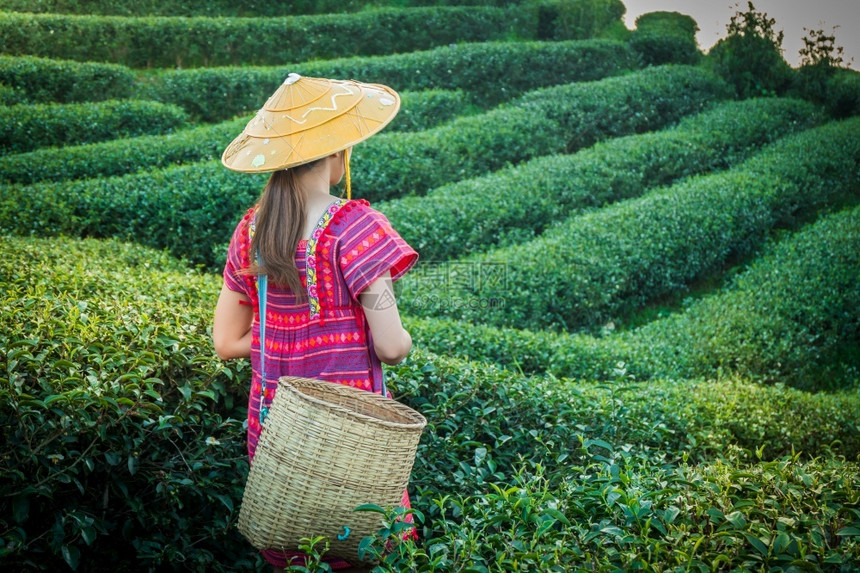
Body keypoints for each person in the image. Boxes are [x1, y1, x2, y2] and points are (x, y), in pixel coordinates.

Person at [212, 73, 418, 572]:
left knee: (297, 557)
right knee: (373, 552)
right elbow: (391, 346)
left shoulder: (253, 229)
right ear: (338, 152)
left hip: (278, 433)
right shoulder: (357, 227)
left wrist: (287, 340)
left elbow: (226, 341)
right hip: (349, 438)